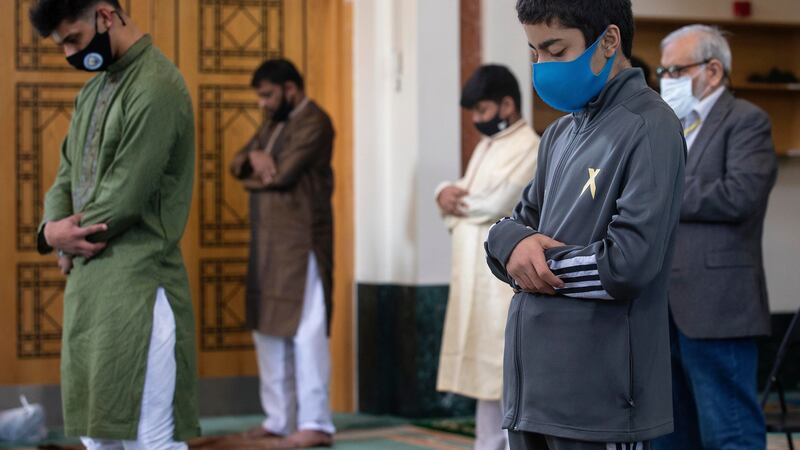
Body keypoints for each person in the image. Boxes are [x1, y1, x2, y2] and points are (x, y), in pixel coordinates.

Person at [484, 0, 686, 448]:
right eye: (535, 52)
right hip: (534, 392)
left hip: (601, 400)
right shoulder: (559, 133)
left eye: (556, 51)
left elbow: (628, 264)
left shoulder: (650, 126)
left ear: (608, 41)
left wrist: (530, 261)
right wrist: (509, 243)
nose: (543, 66)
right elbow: (511, 230)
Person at [28, 1, 199, 448]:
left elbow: (123, 197)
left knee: (151, 438)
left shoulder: (158, 85)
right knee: (97, 434)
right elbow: (64, 176)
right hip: (90, 289)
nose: (69, 54)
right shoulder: (94, 90)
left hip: (139, 286)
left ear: (105, 15)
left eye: (73, 40)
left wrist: (61, 238)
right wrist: (52, 232)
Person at [652, 25, 778, 450]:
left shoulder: (746, 121)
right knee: (672, 436)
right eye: (662, 70)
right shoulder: (670, 127)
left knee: (729, 433)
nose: (666, 78)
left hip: (717, 306)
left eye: (675, 69)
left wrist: (661, 191)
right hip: (662, 306)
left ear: (712, 70)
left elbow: (739, 195)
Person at [230, 59, 336, 448]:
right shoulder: (273, 123)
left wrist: (254, 170)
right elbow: (237, 162)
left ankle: (316, 422)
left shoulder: (314, 122)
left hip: (301, 240)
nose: (263, 103)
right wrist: (255, 161)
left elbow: (286, 174)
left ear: (290, 89)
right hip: (268, 244)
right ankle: (279, 419)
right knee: (268, 330)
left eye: (268, 95)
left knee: (306, 330)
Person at [436, 64, 540, 450]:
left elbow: (493, 204)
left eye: (482, 111)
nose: (477, 121)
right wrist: (443, 193)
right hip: (472, 276)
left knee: (503, 371)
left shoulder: (531, 146)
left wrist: (451, 196)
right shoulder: (486, 146)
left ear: (507, 105)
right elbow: (461, 198)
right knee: (483, 377)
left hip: (500, 279)